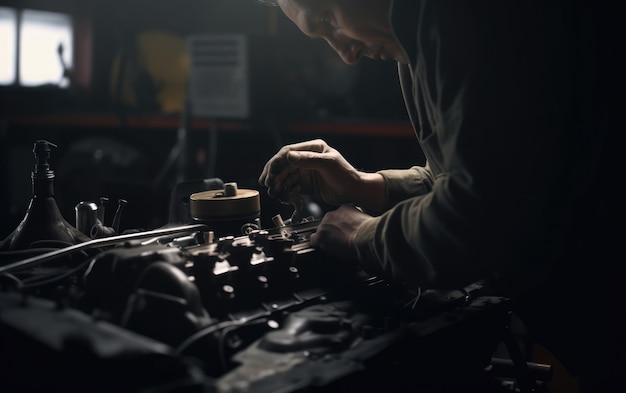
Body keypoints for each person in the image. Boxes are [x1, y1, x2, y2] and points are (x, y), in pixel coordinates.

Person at [256, 1, 624, 391]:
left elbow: (473, 221)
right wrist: (366, 187)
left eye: (330, 20)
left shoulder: (455, 15)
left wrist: (361, 236)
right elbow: (472, 176)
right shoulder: (411, 35)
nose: (346, 54)